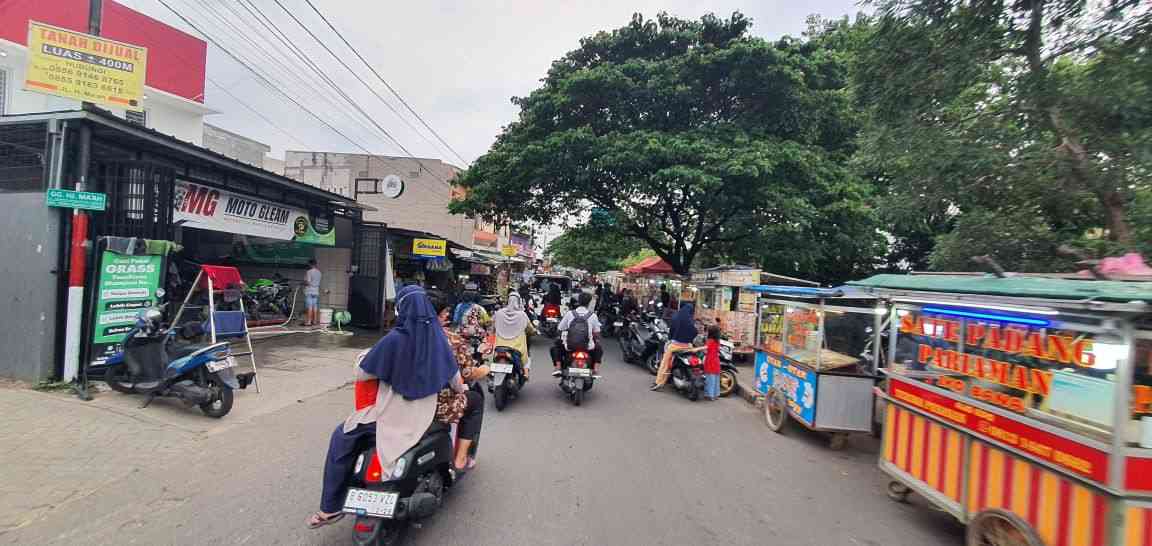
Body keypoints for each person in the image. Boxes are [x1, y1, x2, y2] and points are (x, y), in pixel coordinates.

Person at [309, 286, 461, 529]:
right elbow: (458, 383)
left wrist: (364, 357)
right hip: (422, 420)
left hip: (386, 417)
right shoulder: (440, 341)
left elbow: (363, 374)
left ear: (402, 309)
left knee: (342, 436)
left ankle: (330, 507)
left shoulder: (393, 339)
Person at [430, 292, 487, 474]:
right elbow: (468, 373)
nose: (447, 315)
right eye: (444, 312)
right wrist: (486, 369)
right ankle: (461, 458)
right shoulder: (450, 339)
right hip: (438, 405)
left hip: (401, 402)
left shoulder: (398, 337)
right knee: (476, 400)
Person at [550, 292, 603, 376]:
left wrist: (560, 336)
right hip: (587, 346)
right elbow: (597, 333)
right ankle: (595, 369)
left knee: (555, 347)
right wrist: (597, 339)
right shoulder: (593, 316)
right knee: (599, 348)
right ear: (589, 303)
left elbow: (560, 328)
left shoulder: (570, 313)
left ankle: (558, 367)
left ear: (578, 301)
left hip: (569, 346)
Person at [651, 303, 697, 391]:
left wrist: (671, 338)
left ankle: (658, 382)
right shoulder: (691, 320)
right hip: (688, 346)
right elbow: (695, 332)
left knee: (665, 363)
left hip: (675, 346)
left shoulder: (676, 317)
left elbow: (671, 331)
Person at [494, 293, 537, 376]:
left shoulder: (499, 313)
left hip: (499, 346)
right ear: (519, 301)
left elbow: (493, 325)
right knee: (525, 357)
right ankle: (525, 372)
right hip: (516, 347)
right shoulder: (522, 315)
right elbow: (530, 328)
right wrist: (533, 331)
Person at [702, 325, 722, 400]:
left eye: (707, 331)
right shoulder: (717, 341)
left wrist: (696, 349)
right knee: (716, 378)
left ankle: (709, 395)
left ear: (710, 333)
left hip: (710, 360)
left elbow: (706, 348)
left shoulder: (710, 340)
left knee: (710, 378)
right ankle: (716, 395)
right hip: (716, 360)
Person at [304, 259, 322, 327]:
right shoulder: (319, 272)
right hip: (316, 291)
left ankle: (308, 322)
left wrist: (303, 283)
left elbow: (308, 282)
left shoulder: (309, 272)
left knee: (310, 307)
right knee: (315, 307)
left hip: (310, 291)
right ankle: (314, 321)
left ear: (310, 264)